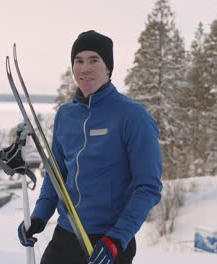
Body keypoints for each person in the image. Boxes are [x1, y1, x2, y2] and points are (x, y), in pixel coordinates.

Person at [17, 30, 163, 264]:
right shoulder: (65, 115)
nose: (85, 68)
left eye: (94, 60)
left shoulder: (132, 116)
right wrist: (39, 217)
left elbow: (148, 186)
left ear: (108, 68)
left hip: (108, 241)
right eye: (79, 61)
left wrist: (117, 239)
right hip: (66, 234)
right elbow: (56, 176)